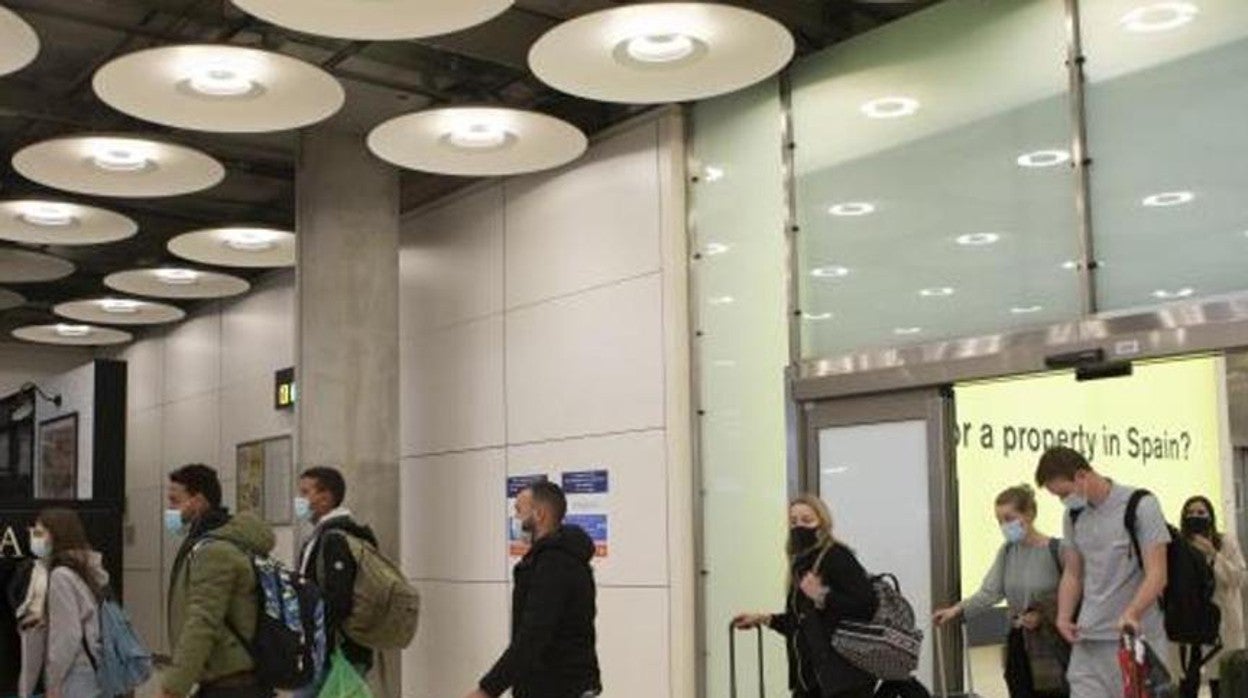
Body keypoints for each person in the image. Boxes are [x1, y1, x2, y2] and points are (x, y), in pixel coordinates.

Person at [1034, 447, 1169, 698]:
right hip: (1089, 638)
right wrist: (1063, 617)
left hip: (1135, 639)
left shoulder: (1141, 506)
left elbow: (1157, 574)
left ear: (1081, 475)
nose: (1063, 501)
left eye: (1064, 493)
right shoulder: (1073, 516)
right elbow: (1073, 573)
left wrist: (1132, 612)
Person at [464, 481, 601, 698]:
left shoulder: (554, 564)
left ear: (539, 514)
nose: (515, 519)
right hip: (562, 685)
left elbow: (533, 635)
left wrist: (487, 689)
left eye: (519, 510)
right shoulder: (562, 557)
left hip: (558, 688)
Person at [733, 494, 878, 698]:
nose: (799, 526)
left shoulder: (835, 555)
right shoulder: (801, 564)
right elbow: (801, 623)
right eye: (793, 522)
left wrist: (821, 595)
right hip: (810, 679)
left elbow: (867, 605)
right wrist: (764, 619)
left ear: (822, 523)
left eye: (807, 520)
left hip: (843, 679)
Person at [933, 485, 1068, 698]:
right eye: (999, 521)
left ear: (1030, 514)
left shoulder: (1058, 550)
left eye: (1009, 518)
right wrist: (956, 610)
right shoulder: (1007, 552)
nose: (1004, 526)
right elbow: (989, 592)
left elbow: (1074, 595)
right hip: (1018, 642)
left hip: (1050, 644)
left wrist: (1042, 614)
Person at [162, 464, 275, 698]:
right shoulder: (219, 543)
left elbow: (203, 621)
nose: (170, 509)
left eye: (175, 500)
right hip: (235, 680)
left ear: (198, 500)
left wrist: (173, 688)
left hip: (231, 683)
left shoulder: (214, 551)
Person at [295, 466, 379, 675]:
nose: (299, 500)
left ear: (325, 498)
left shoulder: (335, 540)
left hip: (336, 651)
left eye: (305, 493)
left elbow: (338, 601)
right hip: (336, 650)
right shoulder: (330, 535)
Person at [16, 508, 108, 698]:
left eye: (40, 533)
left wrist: (54, 681)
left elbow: (67, 636)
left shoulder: (61, 576)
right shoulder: (88, 568)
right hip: (93, 666)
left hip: (74, 673)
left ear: (57, 536)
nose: (35, 538)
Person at [1179, 496, 1246, 698]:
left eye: (1201, 513)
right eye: (1190, 513)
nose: (1196, 517)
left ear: (1211, 516)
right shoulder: (1179, 546)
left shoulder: (1226, 542)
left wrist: (1213, 554)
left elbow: (1239, 579)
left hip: (1222, 627)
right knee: (1187, 685)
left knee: (1222, 686)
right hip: (1189, 629)